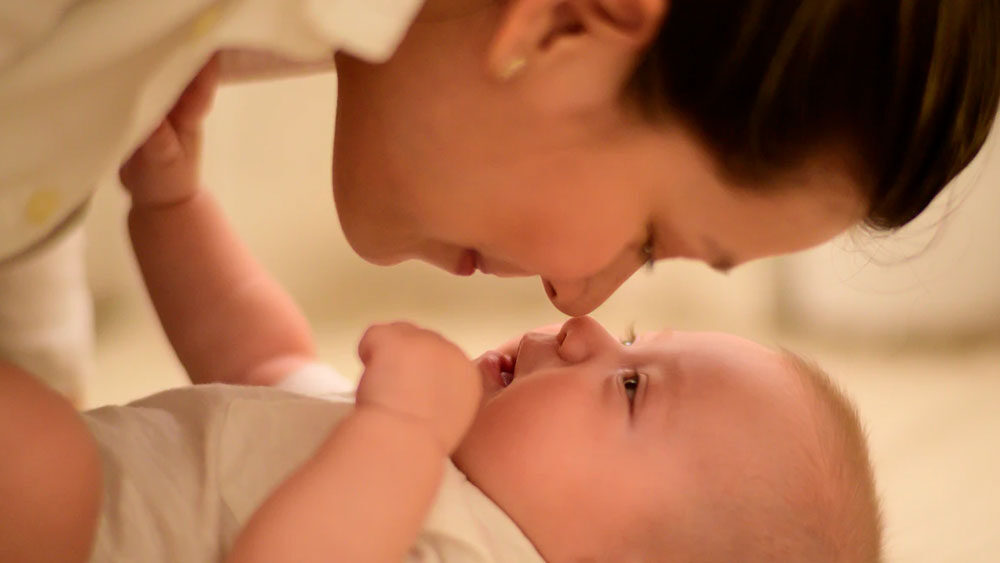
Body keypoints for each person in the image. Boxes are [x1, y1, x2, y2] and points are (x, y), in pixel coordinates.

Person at [82, 114, 891, 559]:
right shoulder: (425, 462)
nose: (586, 329)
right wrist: (172, 204)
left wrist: (397, 432)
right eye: (633, 338)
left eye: (633, 384)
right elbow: (258, 355)